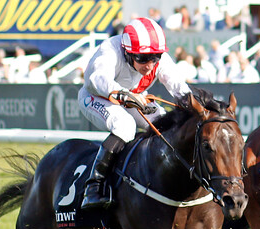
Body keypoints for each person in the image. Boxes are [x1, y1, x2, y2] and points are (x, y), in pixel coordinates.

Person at [79, 17, 191, 209]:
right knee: (125, 125)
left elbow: (178, 87)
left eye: (154, 58)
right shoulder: (110, 49)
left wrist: (196, 105)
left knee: (164, 124)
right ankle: (93, 188)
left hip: (134, 98)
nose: (149, 65)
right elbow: (97, 80)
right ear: (127, 52)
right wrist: (125, 95)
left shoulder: (159, 58)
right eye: (142, 58)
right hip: (96, 97)